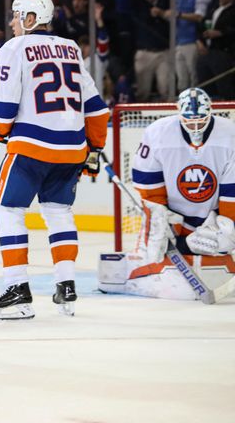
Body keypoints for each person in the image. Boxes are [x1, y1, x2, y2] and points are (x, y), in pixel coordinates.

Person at [0, 0, 110, 320]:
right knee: (58, 210)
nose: (11, 23)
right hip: (72, 151)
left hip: (32, 149)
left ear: (31, 19)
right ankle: (66, 285)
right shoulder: (72, 48)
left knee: (6, 209)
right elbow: (97, 110)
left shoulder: (13, 48)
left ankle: (18, 291)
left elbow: (4, 112)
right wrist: (93, 150)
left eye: (16, 15)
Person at [98, 88, 235, 299]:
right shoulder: (158, 132)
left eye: (201, 120)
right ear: (178, 113)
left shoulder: (230, 135)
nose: (196, 126)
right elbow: (149, 185)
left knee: (226, 239)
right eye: (190, 120)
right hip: (173, 215)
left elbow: (231, 195)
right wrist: (159, 217)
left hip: (212, 217)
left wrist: (224, 227)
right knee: (153, 252)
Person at [161, 0, 211, 90]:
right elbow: (174, 16)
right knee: (182, 80)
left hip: (193, 42)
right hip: (179, 42)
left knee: (194, 77)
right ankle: (184, 105)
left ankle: (197, 106)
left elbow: (200, 16)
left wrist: (178, 14)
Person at [197, 0, 235, 98]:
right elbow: (200, 26)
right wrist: (199, 42)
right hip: (208, 52)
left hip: (224, 52)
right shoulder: (213, 9)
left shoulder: (233, 11)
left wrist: (220, 33)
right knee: (205, 85)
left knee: (224, 85)